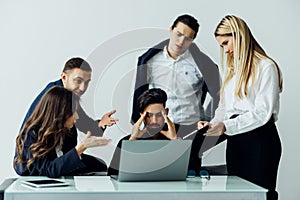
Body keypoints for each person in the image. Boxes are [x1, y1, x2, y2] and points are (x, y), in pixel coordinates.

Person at [197, 15, 282, 200]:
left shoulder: (266, 67)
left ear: (239, 36)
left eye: (227, 43)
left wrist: (226, 127)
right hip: (236, 141)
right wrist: (213, 125)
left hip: (260, 140)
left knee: (261, 195)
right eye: (222, 46)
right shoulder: (233, 73)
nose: (225, 50)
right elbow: (224, 109)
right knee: (238, 195)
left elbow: (262, 113)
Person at [131, 14, 220, 138]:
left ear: (193, 40)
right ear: (171, 29)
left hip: (190, 126)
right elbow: (141, 93)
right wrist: (139, 122)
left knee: (191, 158)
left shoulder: (203, 64)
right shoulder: (150, 61)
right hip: (158, 126)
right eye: (179, 34)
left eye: (188, 38)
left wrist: (209, 120)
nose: (181, 41)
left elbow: (219, 95)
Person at [20, 57, 117, 169]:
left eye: (87, 82)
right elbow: (33, 140)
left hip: (60, 153)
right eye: (78, 81)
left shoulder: (70, 97)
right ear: (64, 77)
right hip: (39, 161)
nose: (83, 88)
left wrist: (100, 124)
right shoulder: (54, 99)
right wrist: (80, 149)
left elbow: (84, 123)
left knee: (99, 166)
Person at [14, 86, 111, 177]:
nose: (77, 116)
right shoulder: (31, 134)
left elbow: (67, 157)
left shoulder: (69, 129)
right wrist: (81, 147)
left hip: (61, 167)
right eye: (73, 112)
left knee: (100, 166)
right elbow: (48, 169)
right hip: (39, 177)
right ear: (60, 113)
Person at [108, 88, 178, 175]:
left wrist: (175, 141)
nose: (154, 120)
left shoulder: (175, 142)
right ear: (142, 115)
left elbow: (186, 174)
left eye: (159, 115)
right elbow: (113, 175)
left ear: (166, 112)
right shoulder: (126, 143)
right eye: (149, 115)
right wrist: (133, 140)